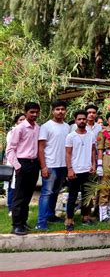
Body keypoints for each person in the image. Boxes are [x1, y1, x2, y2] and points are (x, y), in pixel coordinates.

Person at [7, 102, 41, 236]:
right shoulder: (19, 129)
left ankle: (23, 222)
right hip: (22, 163)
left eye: (37, 112)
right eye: (32, 112)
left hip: (34, 164)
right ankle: (16, 225)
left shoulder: (37, 127)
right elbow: (10, 150)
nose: (35, 115)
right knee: (19, 196)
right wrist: (17, 166)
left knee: (28, 195)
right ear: (26, 112)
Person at [36, 100, 70, 230]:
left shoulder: (67, 127)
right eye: (57, 109)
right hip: (50, 165)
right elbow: (40, 148)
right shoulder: (46, 126)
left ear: (65, 111)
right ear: (53, 111)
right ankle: (41, 222)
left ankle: (51, 215)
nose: (60, 111)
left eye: (62, 109)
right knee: (46, 193)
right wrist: (43, 166)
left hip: (63, 166)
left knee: (55, 192)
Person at [64, 110, 96, 231]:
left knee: (86, 195)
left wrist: (93, 164)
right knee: (72, 196)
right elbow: (67, 154)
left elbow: (93, 150)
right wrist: (70, 169)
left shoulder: (91, 135)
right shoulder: (71, 136)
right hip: (75, 170)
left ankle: (85, 217)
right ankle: (69, 220)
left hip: (87, 170)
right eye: (79, 119)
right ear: (76, 120)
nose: (82, 121)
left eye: (84, 119)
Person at [4, 113, 26, 216]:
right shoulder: (12, 132)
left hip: (23, 162)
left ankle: (19, 208)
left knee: (20, 186)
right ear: (16, 122)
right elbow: (11, 148)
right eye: (20, 119)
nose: (23, 121)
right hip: (13, 162)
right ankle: (10, 208)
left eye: (24, 119)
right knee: (12, 186)